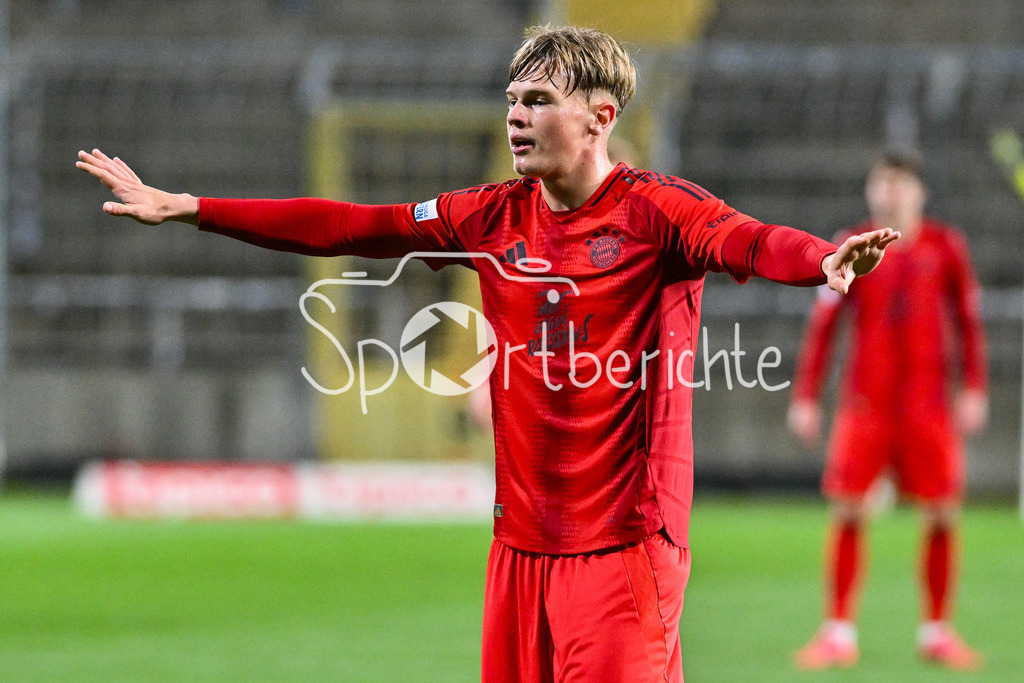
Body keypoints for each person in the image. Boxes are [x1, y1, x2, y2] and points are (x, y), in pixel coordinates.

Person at [78, 26, 898, 682]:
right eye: (511, 98)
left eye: (537, 99)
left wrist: (817, 258)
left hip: (622, 549)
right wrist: (191, 207)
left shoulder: (656, 212)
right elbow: (352, 225)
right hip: (518, 549)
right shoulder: (489, 215)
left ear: (599, 117)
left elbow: (746, 240)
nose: (514, 115)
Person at [789, 150, 987, 671]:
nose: (889, 194)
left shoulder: (946, 248)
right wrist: (805, 395)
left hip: (927, 404)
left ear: (919, 192)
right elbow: (824, 325)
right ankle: (838, 632)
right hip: (867, 402)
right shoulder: (852, 246)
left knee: (943, 511)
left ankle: (937, 632)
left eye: (899, 185)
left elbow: (967, 321)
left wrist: (974, 387)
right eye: (882, 184)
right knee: (848, 508)